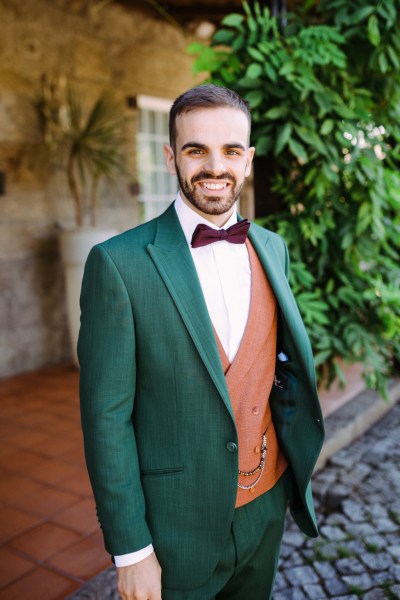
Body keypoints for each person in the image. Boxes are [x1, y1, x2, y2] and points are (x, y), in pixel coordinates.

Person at [78, 84, 324, 600]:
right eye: (196, 150)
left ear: (249, 159)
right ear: (171, 156)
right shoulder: (118, 264)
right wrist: (132, 550)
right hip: (175, 527)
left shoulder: (272, 248)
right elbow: (106, 418)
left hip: (266, 505)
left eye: (231, 150)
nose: (216, 166)